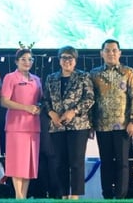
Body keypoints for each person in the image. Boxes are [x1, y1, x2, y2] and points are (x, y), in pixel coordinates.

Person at [90, 39, 133, 199]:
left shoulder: (128, 72)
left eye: (114, 50)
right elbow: (90, 100)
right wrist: (90, 124)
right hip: (102, 125)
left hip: (123, 125)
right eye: (107, 50)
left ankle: (120, 197)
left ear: (120, 53)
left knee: (122, 163)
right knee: (105, 162)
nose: (111, 53)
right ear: (101, 53)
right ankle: (106, 196)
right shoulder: (94, 74)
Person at [42, 45, 95, 200]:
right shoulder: (51, 78)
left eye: (70, 58)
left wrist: (74, 111)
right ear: (59, 60)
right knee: (59, 162)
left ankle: (75, 195)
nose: (67, 61)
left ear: (75, 60)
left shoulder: (83, 76)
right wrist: (51, 113)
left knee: (76, 162)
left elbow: (90, 98)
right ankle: (63, 194)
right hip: (57, 125)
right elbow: (45, 100)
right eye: (64, 57)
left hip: (78, 125)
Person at [1, 48, 43, 199]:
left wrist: (39, 108)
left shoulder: (36, 79)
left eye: (30, 59)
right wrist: (26, 108)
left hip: (33, 127)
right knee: (17, 163)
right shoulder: (10, 77)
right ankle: (18, 196)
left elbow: (41, 100)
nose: (27, 62)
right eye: (23, 59)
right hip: (16, 126)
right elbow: (4, 101)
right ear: (16, 61)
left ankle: (23, 196)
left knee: (28, 165)